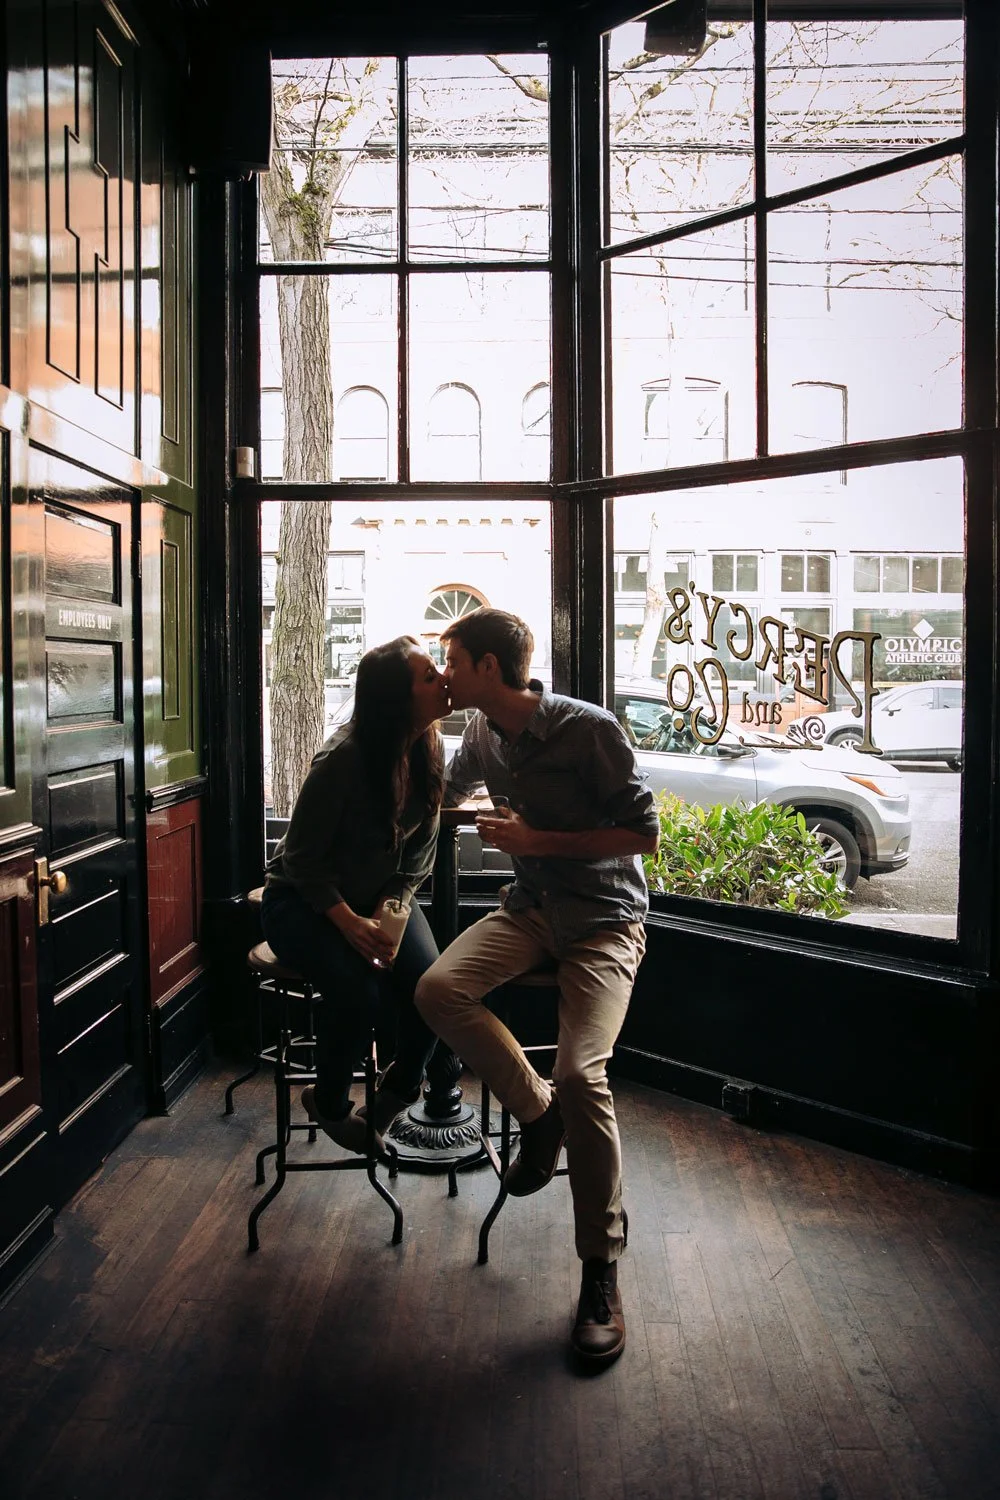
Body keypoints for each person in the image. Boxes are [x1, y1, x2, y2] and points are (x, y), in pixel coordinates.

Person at [414, 609, 659, 1367]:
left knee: (583, 1073)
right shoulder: (480, 736)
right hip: (528, 913)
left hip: (605, 920)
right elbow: (445, 800)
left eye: (450, 661)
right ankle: (537, 1116)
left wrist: (536, 842)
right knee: (437, 988)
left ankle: (599, 1271)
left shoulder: (589, 729)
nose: (443, 672)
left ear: (489, 668)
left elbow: (645, 835)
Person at [262, 635, 450, 1155]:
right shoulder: (343, 759)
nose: (443, 681)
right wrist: (351, 924)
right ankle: (329, 1104)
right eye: (429, 675)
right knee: (360, 991)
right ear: (398, 696)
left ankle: (397, 1092)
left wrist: (390, 913)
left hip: (378, 899)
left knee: (433, 988)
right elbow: (299, 860)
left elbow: (417, 860)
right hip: (302, 902)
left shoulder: (430, 747)